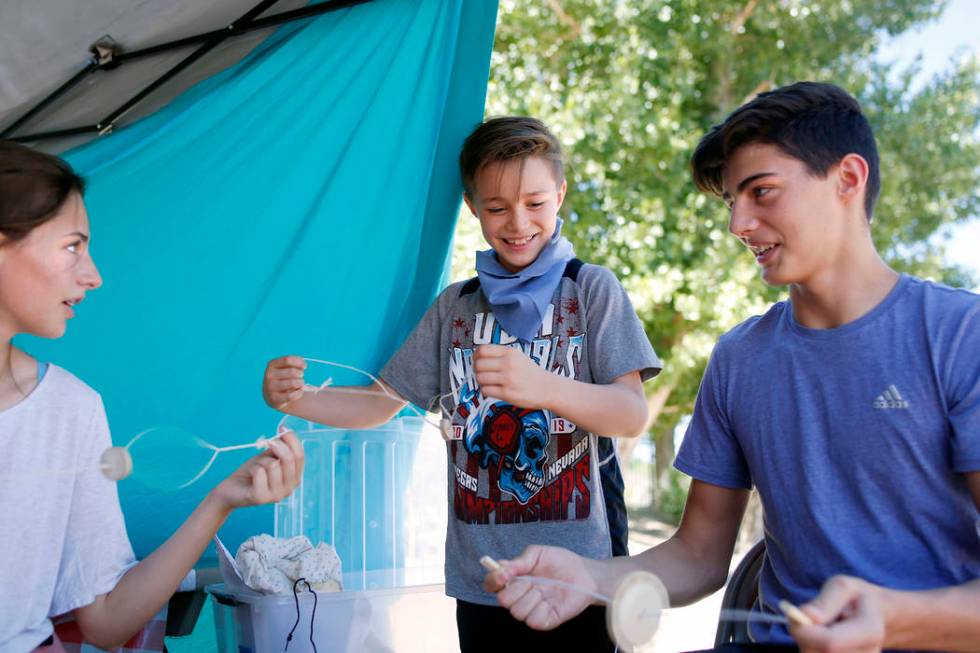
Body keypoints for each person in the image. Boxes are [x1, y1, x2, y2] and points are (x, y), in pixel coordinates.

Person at [483, 82, 980, 652]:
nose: (737, 224)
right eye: (731, 202)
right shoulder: (740, 357)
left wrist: (892, 620)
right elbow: (698, 554)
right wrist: (591, 578)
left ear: (848, 179)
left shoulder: (960, 336)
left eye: (761, 192)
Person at [263, 116, 661, 651]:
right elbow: (380, 403)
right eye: (496, 207)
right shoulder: (456, 306)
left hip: (580, 582)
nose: (518, 222)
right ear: (472, 207)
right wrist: (298, 398)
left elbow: (630, 413)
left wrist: (542, 387)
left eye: (536, 203)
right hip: (482, 584)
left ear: (561, 194)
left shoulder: (590, 291)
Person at [0, 140, 306, 653]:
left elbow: (106, 623)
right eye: (74, 245)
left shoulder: (71, 409)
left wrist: (223, 499)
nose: (93, 275)